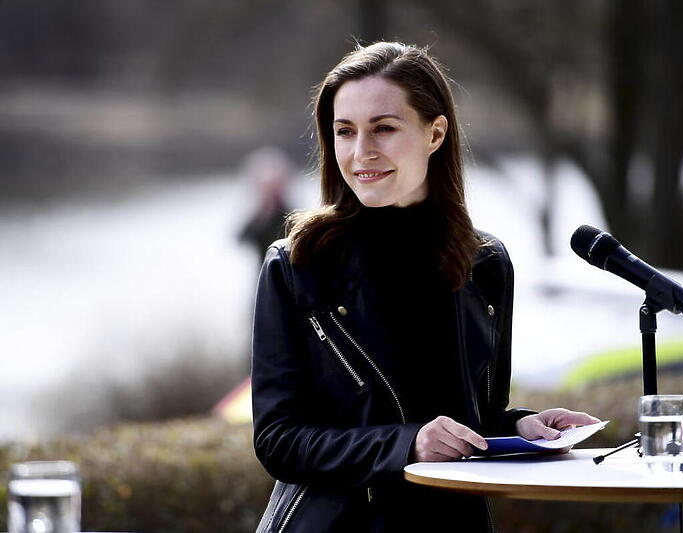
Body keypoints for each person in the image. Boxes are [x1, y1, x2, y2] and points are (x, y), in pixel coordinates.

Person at [250, 41, 599, 533]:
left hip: (453, 521)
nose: (361, 152)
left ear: (435, 133)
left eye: (384, 129)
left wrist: (520, 428)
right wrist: (406, 445)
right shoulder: (297, 264)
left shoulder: (486, 263)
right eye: (344, 132)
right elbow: (279, 440)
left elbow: (472, 416)